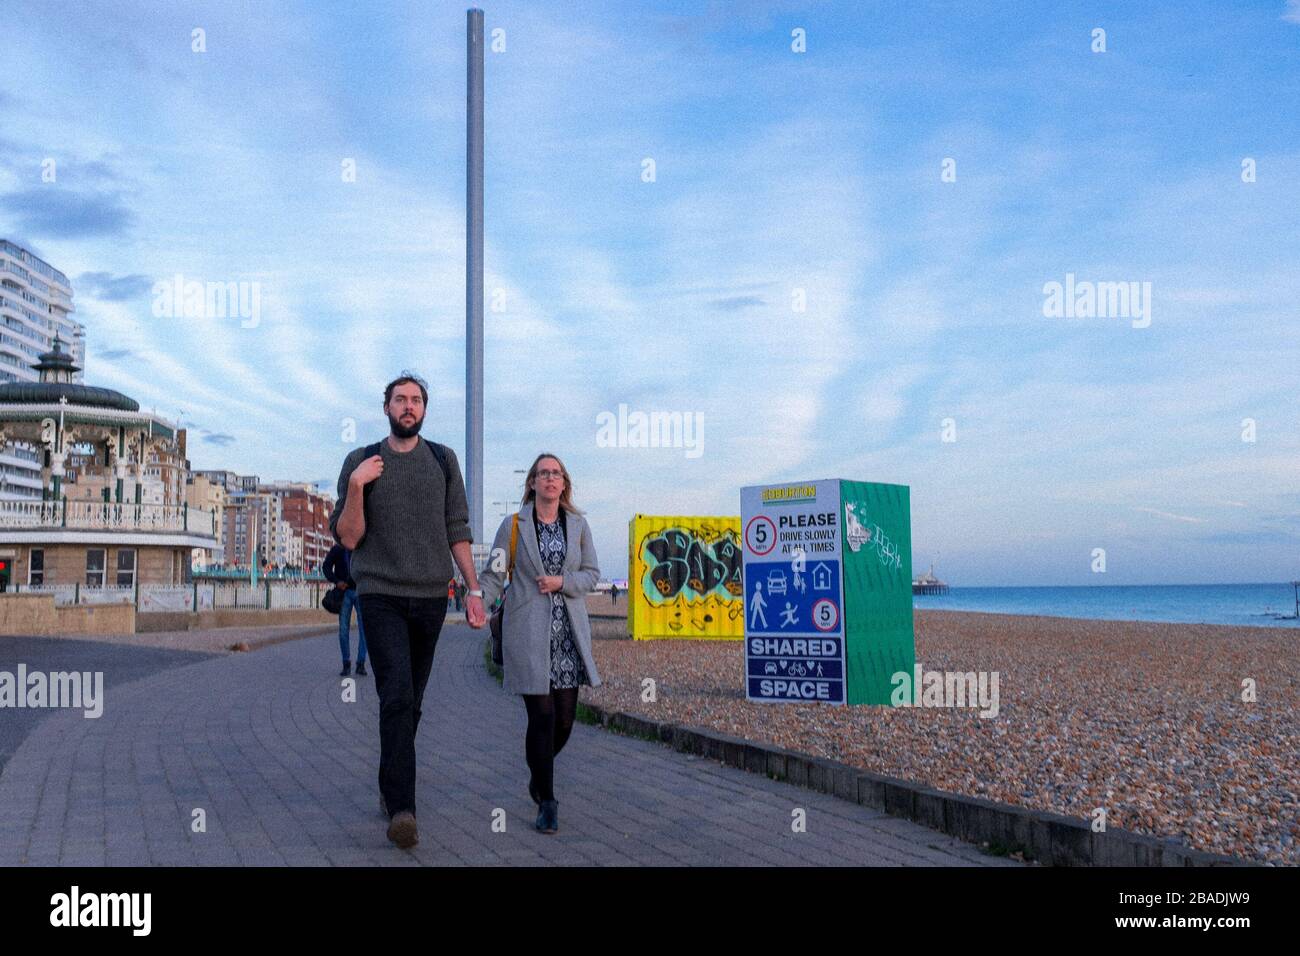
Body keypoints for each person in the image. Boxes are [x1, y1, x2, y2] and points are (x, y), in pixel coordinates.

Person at [330, 372, 487, 849]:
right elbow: (350, 538)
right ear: (386, 408)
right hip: (379, 595)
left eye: (416, 400)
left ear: (424, 409)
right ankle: (403, 811)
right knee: (395, 694)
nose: (408, 407)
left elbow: (456, 528)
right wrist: (357, 488)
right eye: (400, 399)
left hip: (429, 598)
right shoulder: (360, 462)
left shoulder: (443, 460)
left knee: (412, 701)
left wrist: (474, 590)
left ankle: (388, 781)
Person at [475, 453, 601, 835]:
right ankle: (547, 800)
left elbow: (592, 574)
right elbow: (495, 572)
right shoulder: (512, 526)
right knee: (541, 717)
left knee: (564, 719)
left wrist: (563, 582)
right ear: (531, 483)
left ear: (563, 484)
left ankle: (537, 773)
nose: (549, 479)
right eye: (543, 473)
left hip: (569, 636)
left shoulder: (578, 526)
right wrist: (478, 601)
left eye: (556, 474)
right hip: (528, 633)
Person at [322, 542, 367, 677]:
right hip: (344, 593)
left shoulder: (361, 547)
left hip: (361, 591)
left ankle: (361, 663)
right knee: (343, 630)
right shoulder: (338, 549)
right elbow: (326, 567)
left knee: (364, 630)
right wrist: (336, 581)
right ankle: (346, 663)